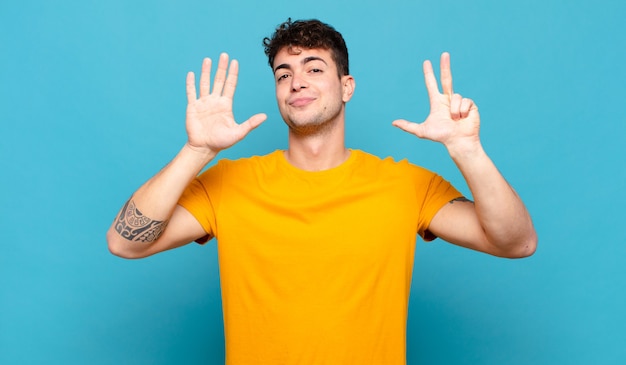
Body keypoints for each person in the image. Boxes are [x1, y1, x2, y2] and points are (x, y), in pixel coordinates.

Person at [107, 18, 537, 364]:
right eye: (284, 74)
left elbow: (516, 243)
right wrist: (196, 150)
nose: (297, 82)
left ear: (346, 86)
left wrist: (468, 151)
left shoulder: (407, 186)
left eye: (314, 68)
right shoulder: (229, 184)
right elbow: (124, 244)